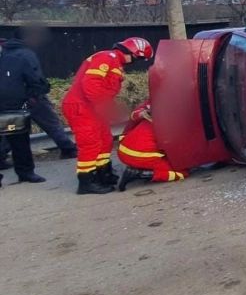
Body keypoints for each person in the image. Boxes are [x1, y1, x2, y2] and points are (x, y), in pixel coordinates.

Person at [62, 37, 153, 195]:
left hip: (91, 107)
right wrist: (102, 106)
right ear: (132, 52)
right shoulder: (107, 58)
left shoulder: (114, 62)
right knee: (90, 143)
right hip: (82, 107)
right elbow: (91, 83)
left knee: (105, 140)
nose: (135, 62)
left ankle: (103, 173)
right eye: (137, 58)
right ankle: (86, 181)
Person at [0, 27, 77, 170]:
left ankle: (1, 157)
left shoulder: (5, 53)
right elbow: (35, 77)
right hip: (31, 97)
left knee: (11, 128)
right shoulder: (25, 54)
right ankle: (68, 148)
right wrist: (38, 93)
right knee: (51, 123)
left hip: (10, 100)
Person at [0, 27, 50, 185]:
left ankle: (25, 172)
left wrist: (32, 96)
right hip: (12, 104)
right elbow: (35, 79)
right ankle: (25, 172)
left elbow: (35, 80)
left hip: (12, 103)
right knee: (19, 141)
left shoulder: (14, 56)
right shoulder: (21, 55)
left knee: (18, 140)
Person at [117, 102, 186, 191]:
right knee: (181, 172)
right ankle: (140, 173)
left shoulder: (156, 105)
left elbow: (134, 116)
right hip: (139, 155)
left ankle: (140, 167)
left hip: (123, 150)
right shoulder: (177, 119)